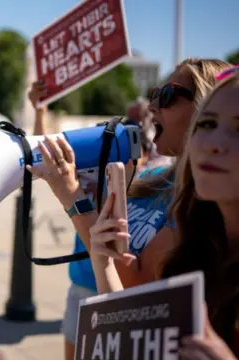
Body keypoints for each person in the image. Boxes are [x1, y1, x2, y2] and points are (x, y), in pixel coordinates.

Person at [28, 59, 232, 360]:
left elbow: (132, 294)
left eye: (167, 96)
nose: (153, 108)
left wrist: (73, 198)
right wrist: (41, 113)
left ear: (201, 107)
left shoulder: (198, 206)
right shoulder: (150, 178)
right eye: (154, 94)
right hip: (93, 310)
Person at [89, 66, 239, 358]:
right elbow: (134, 340)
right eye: (207, 124)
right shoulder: (194, 244)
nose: (212, 144)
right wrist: (103, 263)